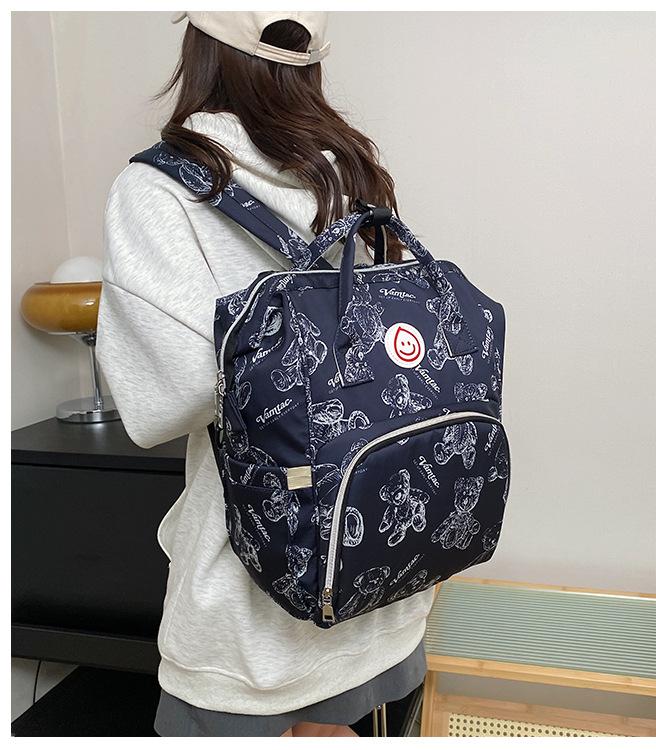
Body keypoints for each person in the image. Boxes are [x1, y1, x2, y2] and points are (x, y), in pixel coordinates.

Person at [96, 11, 434, 738]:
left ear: (201, 47)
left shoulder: (158, 188)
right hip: (382, 573)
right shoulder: (350, 171)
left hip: (254, 618)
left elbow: (159, 405)